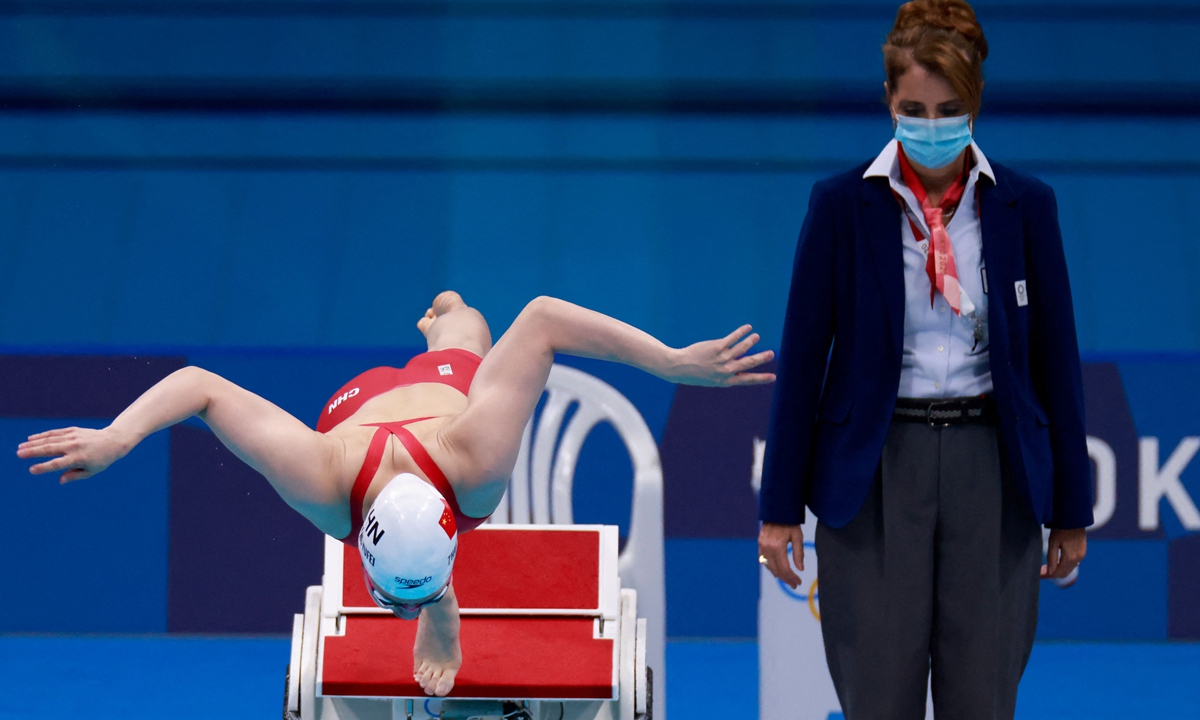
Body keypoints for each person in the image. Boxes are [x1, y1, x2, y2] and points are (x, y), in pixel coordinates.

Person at [17, 291, 774, 697]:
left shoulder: (456, 464)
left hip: (427, 401)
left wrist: (674, 363)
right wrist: (117, 437)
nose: (399, 607)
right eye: (408, 598)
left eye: (412, 596)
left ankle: (447, 315)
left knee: (464, 335)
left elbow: (544, 319)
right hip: (369, 412)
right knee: (465, 343)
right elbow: (199, 387)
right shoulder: (329, 478)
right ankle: (446, 316)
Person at [756, 1, 1091, 717]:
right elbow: (804, 361)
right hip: (874, 472)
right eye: (913, 109)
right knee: (878, 698)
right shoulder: (840, 206)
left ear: (975, 104)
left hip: (993, 469)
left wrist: (1072, 509)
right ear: (888, 100)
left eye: (947, 110)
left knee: (982, 698)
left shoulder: (1027, 206)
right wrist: (779, 508)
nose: (930, 126)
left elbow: (1056, 362)